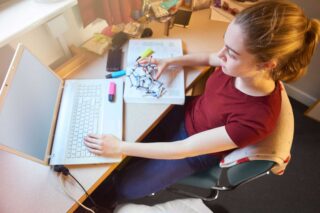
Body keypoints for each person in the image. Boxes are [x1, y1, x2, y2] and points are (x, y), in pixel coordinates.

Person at [84, 0, 320, 208]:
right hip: (187, 113)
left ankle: (105, 198)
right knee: (128, 126)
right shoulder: (238, 65)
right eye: (224, 44)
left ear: (267, 65)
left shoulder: (257, 119)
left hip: (192, 151)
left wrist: (121, 148)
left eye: (231, 53)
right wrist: (171, 61)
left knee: (127, 187)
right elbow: (209, 57)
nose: (221, 55)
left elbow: (183, 148)